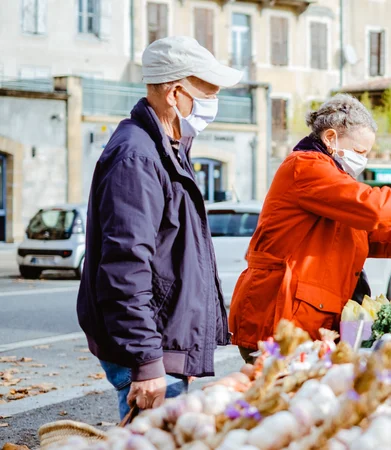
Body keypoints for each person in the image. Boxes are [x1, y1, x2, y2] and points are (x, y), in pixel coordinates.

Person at [229, 94, 391, 362]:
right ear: (330, 138)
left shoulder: (331, 174)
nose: (364, 160)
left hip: (303, 318)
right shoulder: (306, 168)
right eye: (360, 151)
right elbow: (372, 207)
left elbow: (360, 232)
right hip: (284, 319)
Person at [76, 36, 242, 420]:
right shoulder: (137, 156)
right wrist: (148, 360)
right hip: (152, 348)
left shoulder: (165, 148)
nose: (213, 101)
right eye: (208, 91)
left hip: (161, 340)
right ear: (174, 92)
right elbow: (125, 267)